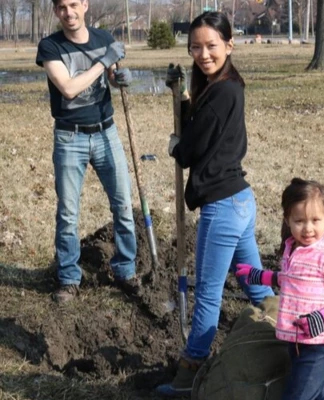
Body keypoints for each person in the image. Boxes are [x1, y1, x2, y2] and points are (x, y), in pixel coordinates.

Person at [156, 11, 274, 397]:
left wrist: (177, 145)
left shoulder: (223, 91)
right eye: (196, 47)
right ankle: (282, 340)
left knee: (208, 293)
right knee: (253, 281)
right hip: (240, 200)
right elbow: (201, 126)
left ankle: (188, 376)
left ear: (229, 45)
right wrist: (185, 99)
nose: (203, 54)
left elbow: (189, 150)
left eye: (211, 46)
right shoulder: (223, 86)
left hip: (223, 207)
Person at [36, 0, 139, 303]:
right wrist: (103, 62)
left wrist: (121, 77)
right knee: (68, 213)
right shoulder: (50, 47)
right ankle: (68, 277)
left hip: (107, 132)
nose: (68, 13)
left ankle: (125, 269)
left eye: (73, 5)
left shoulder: (103, 39)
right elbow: (68, 88)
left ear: (85, 5)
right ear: (56, 11)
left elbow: (112, 76)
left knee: (122, 204)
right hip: (70, 138)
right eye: (62, 7)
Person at [236, 177, 324, 400]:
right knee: (320, 395)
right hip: (297, 341)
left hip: (320, 344)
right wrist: (259, 276)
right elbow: (289, 280)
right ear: (288, 220)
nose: (308, 228)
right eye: (300, 221)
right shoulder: (293, 249)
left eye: (315, 220)